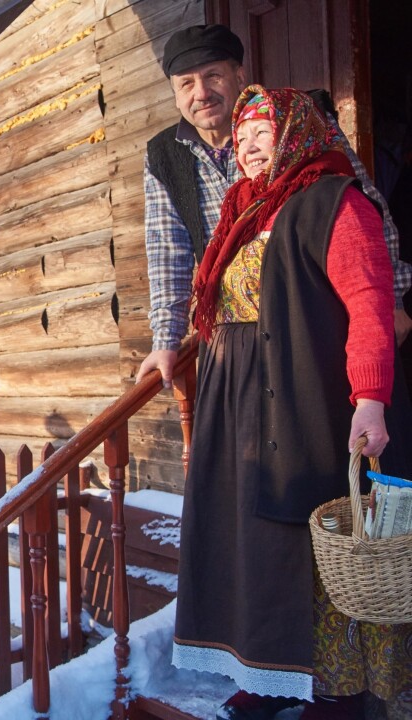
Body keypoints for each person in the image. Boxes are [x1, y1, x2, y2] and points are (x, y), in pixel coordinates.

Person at [172, 86, 412, 720]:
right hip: (236, 407)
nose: (248, 149)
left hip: (306, 400)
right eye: (242, 138)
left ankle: (339, 692)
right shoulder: (244, 212)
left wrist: (371, 401)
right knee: (251, 544)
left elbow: (369, 309)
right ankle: (266, 673)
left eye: (262, 136)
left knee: (312, 546)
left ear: (295, 137)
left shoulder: (336, 203)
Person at [137, 24, 412, 388]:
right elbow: (167, 255)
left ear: (239, 77)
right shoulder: (163, 156)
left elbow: (365, 209)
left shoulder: (301, 121)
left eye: (213, 76)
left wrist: (392, 302)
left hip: (320, 317)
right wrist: (166, 342)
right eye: (186, 83)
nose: (201, 93)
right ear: (175, 94)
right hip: (241, 335)